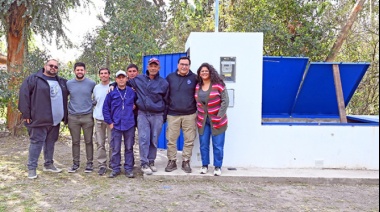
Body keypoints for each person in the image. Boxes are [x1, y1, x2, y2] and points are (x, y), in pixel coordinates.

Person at [18, 59, 68, 179]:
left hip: (55, 120)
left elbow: (77, 87)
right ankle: (31, 168)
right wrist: (26, 114)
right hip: (38, 119)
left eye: (56, 67)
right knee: (36, 143)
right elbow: (23, 96)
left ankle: (49, 164)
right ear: (45, 66)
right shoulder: (34, 79)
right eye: (51, 65)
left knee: (50, 142)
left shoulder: (61, 81)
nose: (53, 68)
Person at [128, 57, 169, 175]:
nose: (153, 68)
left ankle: (151, 161)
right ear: (147, 67)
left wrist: (163, 117)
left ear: (158, 68)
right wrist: (113, 84)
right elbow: (124, 82)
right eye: (151, 65)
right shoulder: (138, 79)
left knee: (154, 139)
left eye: (155, 66)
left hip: (157, 115)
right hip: (143, 114)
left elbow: (167, 101)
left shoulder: (163, 82)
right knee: (143, 139)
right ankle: (144, 163)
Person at [195, 63, 229, 176]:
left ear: (210, 72)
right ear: (199, 74)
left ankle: (217, 167)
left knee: (218, 145)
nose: (204, 73)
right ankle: (204, 165)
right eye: (202, 71)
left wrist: (219, 116)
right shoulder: (197, 86)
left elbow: (225, 101)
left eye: (206, 71)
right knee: (203, 144)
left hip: (218, 120)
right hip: (203, 120)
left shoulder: (218, 85)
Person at [165, 56, 197, 173]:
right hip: (173, 114)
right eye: (182, 64)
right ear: (178, 65)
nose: (184, 66)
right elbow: (165, 95)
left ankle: (186, 161)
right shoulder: (170, 78)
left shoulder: (194, 78)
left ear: (189, 66)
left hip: (190, 114)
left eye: (186, 64)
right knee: (171, 139)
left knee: (189, 139)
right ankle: (172, 161)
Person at [103, 70, 136, 178]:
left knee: (129, 147)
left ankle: (128, 169)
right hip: (116, 125)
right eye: (119, 77)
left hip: (129, 124)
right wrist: (110, 122)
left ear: (126, 78)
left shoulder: (132, 92)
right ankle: (115, 168)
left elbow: (138, 104)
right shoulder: (111, 93)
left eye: (123, 77)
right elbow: (105, 109)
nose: (121, 79)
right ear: (116, 79)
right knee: (115, 148)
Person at [67, 62, 96, 173]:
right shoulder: (69, 83)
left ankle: (89, 164)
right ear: (74, 71)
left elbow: (98, 95)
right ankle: (75, 164)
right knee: (75, 142)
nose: (80, 72)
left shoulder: (91, 83)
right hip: (73, 117)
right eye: (77, 70)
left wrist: (92, 104)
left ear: (85, 71)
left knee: (88, 141)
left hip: (87, 116)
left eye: (81, 70)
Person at [93, 68, 112, 176]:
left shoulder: (113, 87)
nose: (104, 75)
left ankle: (113, 163)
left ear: (109, 75)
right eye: (102, 73)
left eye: (106, 73)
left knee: (112, 143)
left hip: (110, 119)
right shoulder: (96, 88)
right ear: (99, 75)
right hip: (99, 119)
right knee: (100, 143)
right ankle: (102, 165)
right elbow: (95, 101)